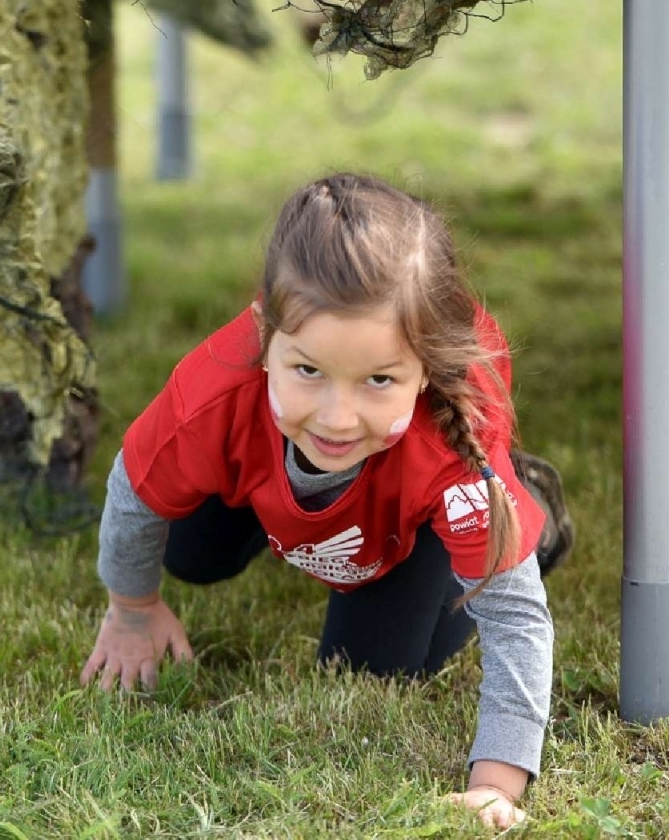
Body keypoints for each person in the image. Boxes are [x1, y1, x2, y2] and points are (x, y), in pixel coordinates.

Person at [79, 172, 574, 830]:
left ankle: (526, 512)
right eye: (308, 370)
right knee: (188, 552)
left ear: (423, 368)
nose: (339, 418)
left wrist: (496, 785)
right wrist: (132, 610)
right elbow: (136, 492)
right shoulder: (216, 389)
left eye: (378, 380)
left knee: (372, 667)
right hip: (277, 463)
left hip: (418, 510)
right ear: (265, 337)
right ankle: (290, 512)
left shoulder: (451, 456)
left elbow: (514, 619)